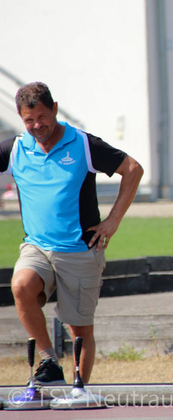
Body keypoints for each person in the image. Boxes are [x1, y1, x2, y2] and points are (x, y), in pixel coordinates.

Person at [0, 82, 144, 385]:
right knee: (21, 286)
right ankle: (49, 362)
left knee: (79, 331)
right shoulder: (15, 148)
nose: (37, 125)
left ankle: (79, 391)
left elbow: (133, 169)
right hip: (37, 247)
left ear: (54, 109)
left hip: (80, 250)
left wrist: (113, 221)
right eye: (29, 120)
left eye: (42, 117)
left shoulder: (83, 144)